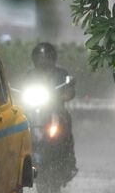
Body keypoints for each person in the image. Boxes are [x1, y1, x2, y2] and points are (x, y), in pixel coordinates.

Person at [24, 42, 77, 176]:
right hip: (34, 110)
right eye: (40, 58)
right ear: (34, 59)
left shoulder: (61, 73)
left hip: (56, 110)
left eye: (46, 57)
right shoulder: (30, 74)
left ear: (53, 58)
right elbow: (21, 90)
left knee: (66, 118)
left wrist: (65, 95)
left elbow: (69, 90)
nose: (43, 61)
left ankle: (69, 156)